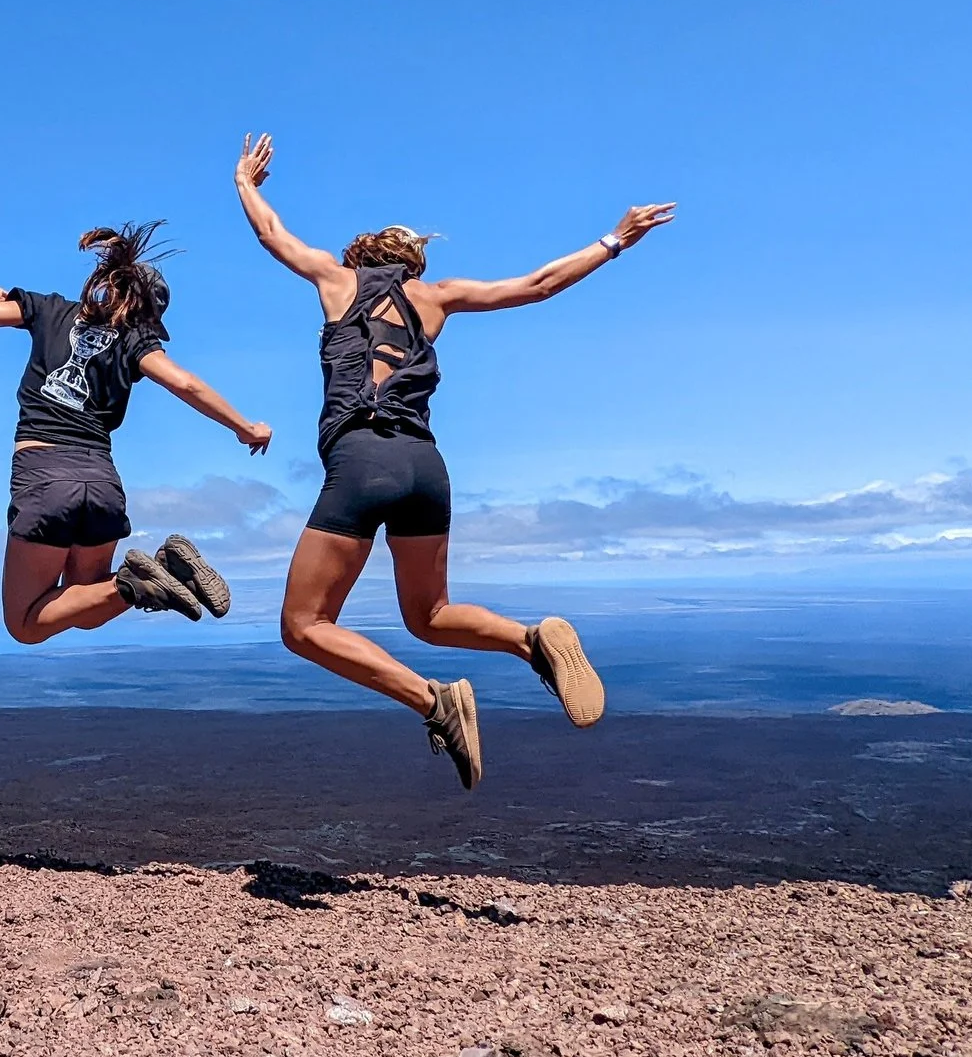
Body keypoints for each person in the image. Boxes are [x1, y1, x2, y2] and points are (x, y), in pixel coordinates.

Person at [233, 133, 675, 785]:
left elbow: (273, 234)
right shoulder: (439, 297)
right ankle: (532, 642)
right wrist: (614, 240)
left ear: (360, 256)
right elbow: (538, 285)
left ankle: (434, 700)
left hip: (362, 459)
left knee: (304, 625)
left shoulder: (333, 278)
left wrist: (245, 182)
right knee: (430, 614)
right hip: (425, 468)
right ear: (412, 264)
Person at [0, 223, 273, 642]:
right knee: (84, 607)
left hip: (44, 474)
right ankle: (154, 574)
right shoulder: (136, 338)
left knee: (25, 625)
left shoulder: (50, 310)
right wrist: (245, 428)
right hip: (101, 481)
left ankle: (135, 582)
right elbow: (185, 383)